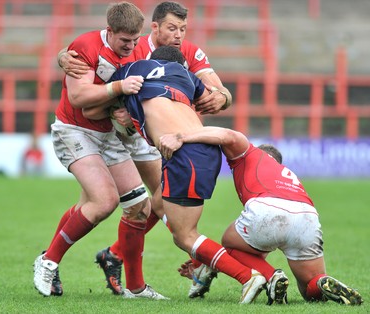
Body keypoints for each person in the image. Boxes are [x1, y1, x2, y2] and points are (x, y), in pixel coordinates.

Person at [57, 1, 233, 297]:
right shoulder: (132, 46)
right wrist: (62, 57)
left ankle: (114, 255)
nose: (178, 35)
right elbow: (94, 72)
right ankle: (192, 260)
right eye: (172, 28)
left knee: (158, 202)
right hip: (134, 135)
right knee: (146, 202)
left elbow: (220, 90)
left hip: (166, 136)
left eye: (183, 29)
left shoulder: (188, 52)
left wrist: (223, 98)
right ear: (155, 27)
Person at [92, 45, 267, 303]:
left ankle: (246, 276)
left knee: (184, 235)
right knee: (158, 203)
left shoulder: (133, 69)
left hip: (184, 153)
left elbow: (93, 101)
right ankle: (166, 268)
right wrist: (223, 96)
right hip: (206, 149)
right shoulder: (187, 77)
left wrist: (116, 110)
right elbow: (213, 98)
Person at [33, 2, 168, 300]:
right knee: (104, 202)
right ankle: (48, 262)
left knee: (139, 208)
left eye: (135, 40)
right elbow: (80, 96)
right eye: (125, 41)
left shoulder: (140, 50)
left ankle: (136, 287)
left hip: (109, 136)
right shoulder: (85, 45)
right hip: (74, 131)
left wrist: (128, 115)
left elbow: (134, 97)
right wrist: (118, 89)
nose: (131, 46)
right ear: (110, 31)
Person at [158, 126, 364, 306]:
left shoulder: (250, 154)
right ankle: (320, 283)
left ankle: (272, 276)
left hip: (267, 208)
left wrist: (181, 136)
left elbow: (228, 135)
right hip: (307, 216)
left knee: (229, 243)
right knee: (309, 291)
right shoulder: (284, 173)